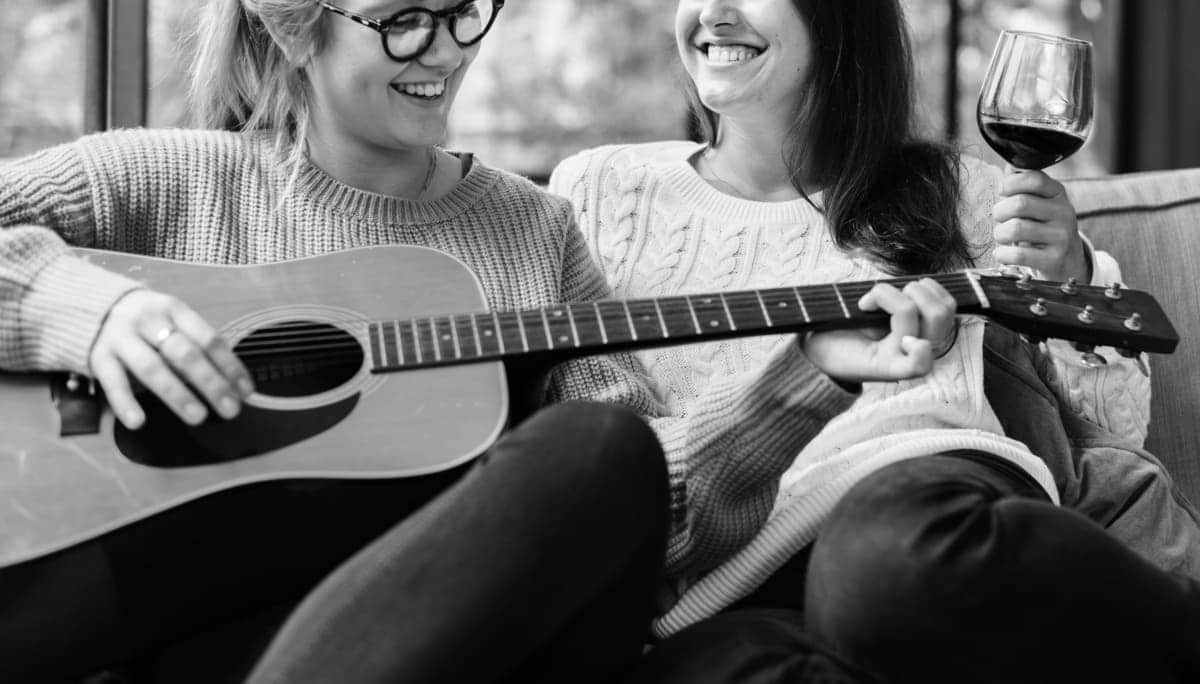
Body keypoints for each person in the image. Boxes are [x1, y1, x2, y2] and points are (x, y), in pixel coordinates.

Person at [0, 1, 968, 682]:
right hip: (210, 626)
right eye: (402, 19)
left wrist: (802, 378)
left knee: (601, 445)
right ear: (295, 23)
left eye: (464, 10)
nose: (446, 49)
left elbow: (645, 519)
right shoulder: (164, 183)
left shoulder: (535, 231)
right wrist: (89, 312)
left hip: (458, 635)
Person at [550, 0, 1200, 681]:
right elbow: (603, 454)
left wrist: (1072, 275)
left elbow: (1113, 426)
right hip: (725, 576)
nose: (712, 12)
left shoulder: (962, 193)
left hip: (916, 496)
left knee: (881, 567)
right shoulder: (600, 190)